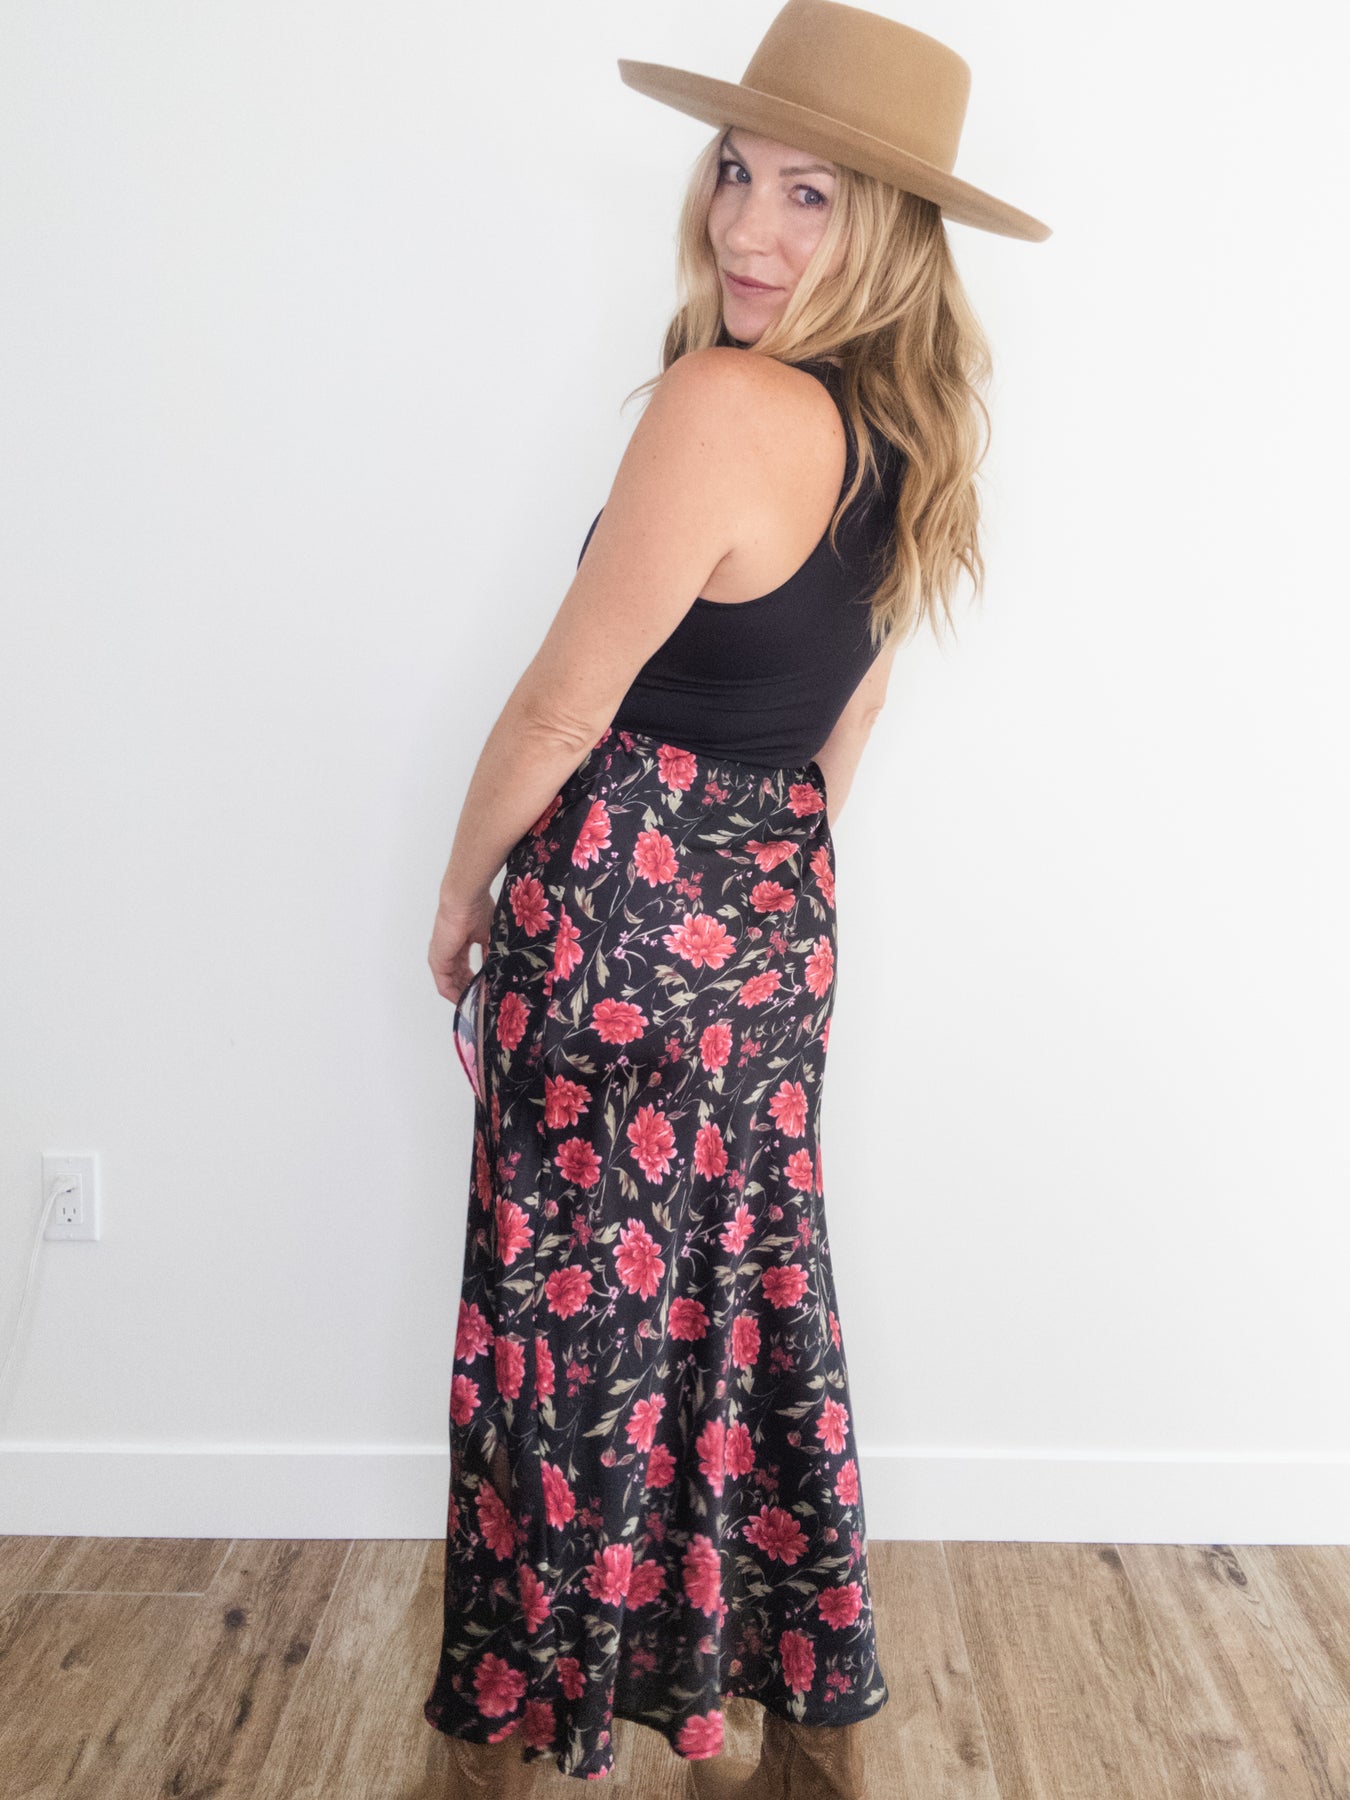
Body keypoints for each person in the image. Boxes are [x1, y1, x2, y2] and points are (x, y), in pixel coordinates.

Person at [420, 3, 1049, 1795]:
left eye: (811, 196)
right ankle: (744, 1682)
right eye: (736, 175)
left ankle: (543, 1692)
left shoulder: (722, 400)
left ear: (891, 229)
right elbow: (841, 739)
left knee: (573, 1324)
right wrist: (758, 901)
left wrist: (461, 895)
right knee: (733, 1304)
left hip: (614, 911)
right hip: (773, 927)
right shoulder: (911, 435)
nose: (748, 231)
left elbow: (564, 706)